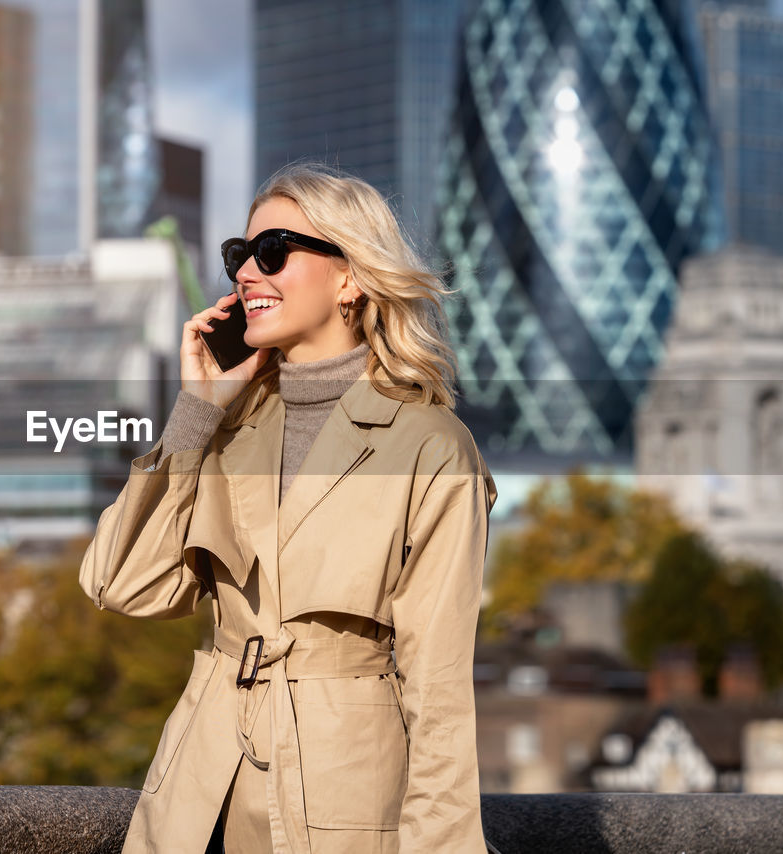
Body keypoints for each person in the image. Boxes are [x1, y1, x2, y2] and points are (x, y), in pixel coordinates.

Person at [79, 162, 497, 853]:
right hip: (194, 794)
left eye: (272, 251)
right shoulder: (225, 425)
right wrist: (194, 413)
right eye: (238, 256)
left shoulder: (431, 447)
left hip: (340, 798)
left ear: (350, 278)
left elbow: (440, 692)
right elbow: (120, 584)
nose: (246, 274)